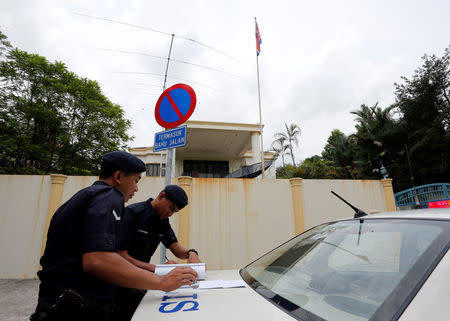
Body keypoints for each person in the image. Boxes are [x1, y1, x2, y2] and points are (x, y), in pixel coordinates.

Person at [30, 152, 197, 321]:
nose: (136, 188)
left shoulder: (89, 195)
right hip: (73, 303)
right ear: (118, 176)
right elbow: (99, 259)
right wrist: (162, 281)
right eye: (136, 180)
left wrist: (189, 254)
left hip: (62, 300)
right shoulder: (109, 197)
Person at [114, 185, 202, 321]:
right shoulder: (133, 213)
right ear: (162, 196)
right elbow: (121, 256)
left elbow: (176, 248)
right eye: (171, 208)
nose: (170, 214)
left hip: (141, 280)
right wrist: (159, 269)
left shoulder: (162, 221)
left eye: (175, 212)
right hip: (120, 282)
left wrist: (191, 253)